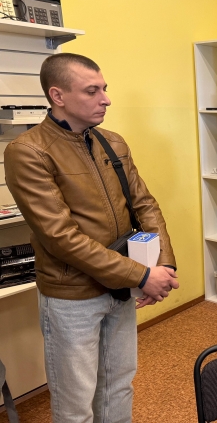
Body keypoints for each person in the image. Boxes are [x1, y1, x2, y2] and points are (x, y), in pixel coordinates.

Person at [4, 53, 179, 423]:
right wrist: (142, 275)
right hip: (73, 296)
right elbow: (62, 238)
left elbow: (145, 205)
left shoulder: (112, 142)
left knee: (118, 385)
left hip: (120, 288)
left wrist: (161, 266)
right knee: (75, 405)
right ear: (58, 95)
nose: (106, 99)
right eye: (92, 90)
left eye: (104, 88)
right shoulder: (28, 152)